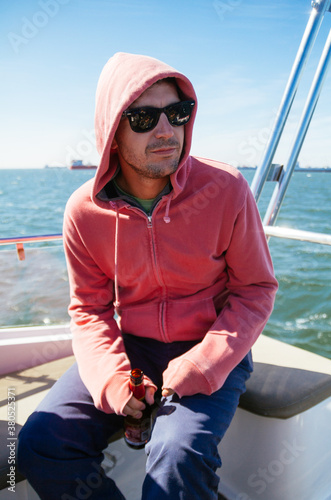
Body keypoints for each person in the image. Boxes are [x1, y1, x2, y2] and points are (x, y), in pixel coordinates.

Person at [18, 52, 278, 500]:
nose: (166, 130)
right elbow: (89, 309)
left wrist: (203, 362)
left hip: (210, 343)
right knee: (41, 443)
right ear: (111, 135)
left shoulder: (226, 188)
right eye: (143, 117)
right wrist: (115, 382)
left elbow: (255, 290)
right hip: (132, 347)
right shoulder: (84, 211)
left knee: (177, 459)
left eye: (177, 114)